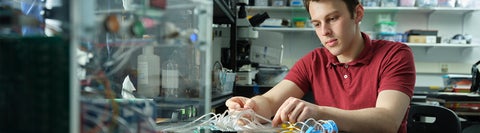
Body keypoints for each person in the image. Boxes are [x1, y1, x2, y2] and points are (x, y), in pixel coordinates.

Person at [225, 0, 416, 132]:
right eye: (317, 24)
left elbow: (388, 121)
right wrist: (250, 107)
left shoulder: (394, 55)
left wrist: (320, 112)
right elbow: (270, 101)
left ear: (357, 13)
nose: (324, 31)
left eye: (332, 19)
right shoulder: (314, 61)